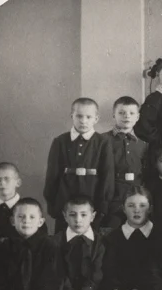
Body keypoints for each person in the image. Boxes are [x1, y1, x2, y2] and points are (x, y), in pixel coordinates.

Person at [44, 97, 114, 232]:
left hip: (93, 199)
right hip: (65, 199)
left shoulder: (103, 142)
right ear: (72, 116)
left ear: (96, 119)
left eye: (88, 117)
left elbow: (107, 176)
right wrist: (53, 204)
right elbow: (52, 176)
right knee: (63, 237)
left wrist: (102, 207)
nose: (83, 121)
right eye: (79, 116)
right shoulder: (60, 141)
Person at [101, 96, 149, 228]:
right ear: (113, 115)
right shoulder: (102, 140)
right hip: (112, 197)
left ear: (138, 117)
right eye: (121, 113)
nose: (126, 116)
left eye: (131, 113)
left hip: (136, 197)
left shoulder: (143, 144)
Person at [0, 162, 47, 248]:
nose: (2, 183)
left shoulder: (32, 209)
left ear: (18, 182)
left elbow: (42, 241)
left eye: (7, 179)